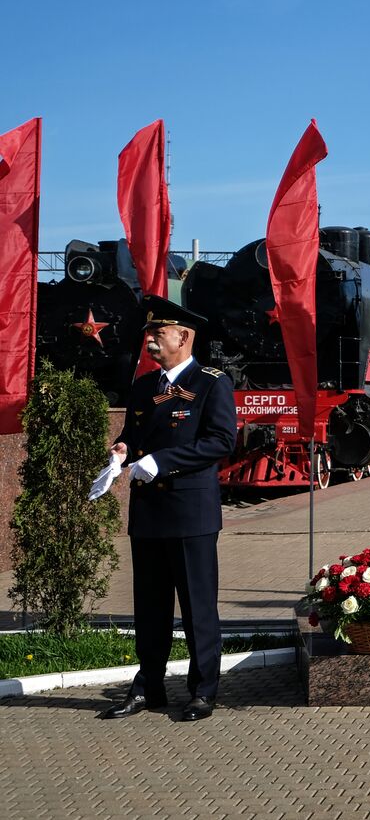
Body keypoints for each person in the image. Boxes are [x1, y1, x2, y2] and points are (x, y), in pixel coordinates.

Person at [101, 298, 236, 722]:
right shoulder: (144, 386)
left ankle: (202, 691)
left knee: (198, 608)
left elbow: (220, 441)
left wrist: (161, 461)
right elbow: (133, 434)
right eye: (149, 335)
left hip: (190, 513)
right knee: (150, 608)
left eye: (158, 334)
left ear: (184, 337)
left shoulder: (212, 382)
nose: (151, 340)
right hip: (149, 513)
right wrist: (122, 452)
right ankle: (149, 688)